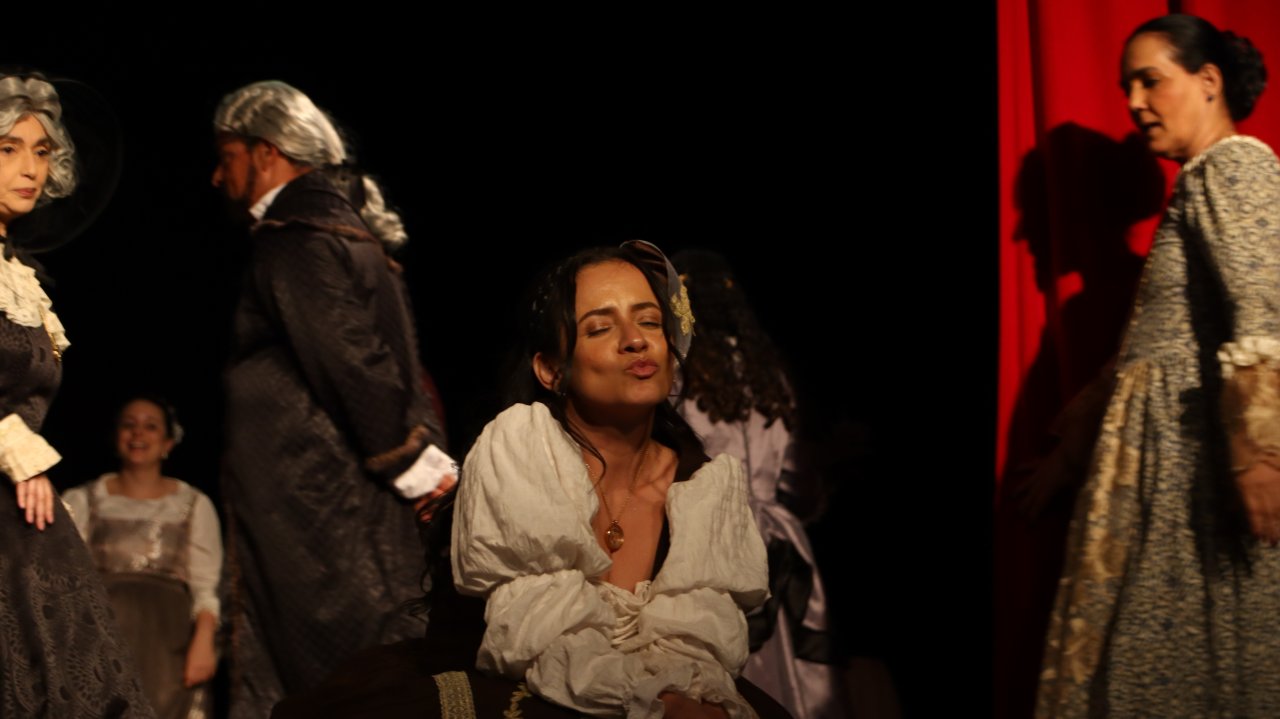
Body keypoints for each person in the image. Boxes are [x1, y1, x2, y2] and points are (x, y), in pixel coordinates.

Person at [1037, 14, 1280, 716]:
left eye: (1150, 81)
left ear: (1208, 81)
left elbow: (1265, 305)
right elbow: (1149, 348)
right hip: (1164, 468)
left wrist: (1262, 450)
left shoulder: (1233, 166)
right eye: (1127, 87)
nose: (1135, 102)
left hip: (1199, 474)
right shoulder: (1204, 179)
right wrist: (1070, 451)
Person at [451, 241, 775, 717]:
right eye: (600, 328)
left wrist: (680, 699)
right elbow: (538, 634)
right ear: (551, 370)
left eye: (650, 322)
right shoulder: (522, 449)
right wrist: (654, 702)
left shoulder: (705, 487)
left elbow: (699, 645)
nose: (635, 340)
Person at [210, 80, 450, 716]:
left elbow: (354, 361)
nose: (217, 176)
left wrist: (417, 467)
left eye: (227, 156)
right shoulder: (333, 227)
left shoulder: (298, 236)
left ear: (266, 153)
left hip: (324, 515)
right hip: (329, 505)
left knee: (348, 682)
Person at [0, 73, 154, 717]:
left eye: (41, 150)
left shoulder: (19, 273)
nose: (30, 168)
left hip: (20, 505)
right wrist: (17, 450)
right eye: (9, 148)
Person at [671, 249, 843, 719]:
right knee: (789, 671)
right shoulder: (771, 375)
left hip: (715, 533)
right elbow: (797, 478)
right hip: (781, 537)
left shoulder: (681, 373)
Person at [64, 396, 223, 719]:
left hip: (170, 641)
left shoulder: (193, 503)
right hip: (102, 633)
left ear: (167, 443)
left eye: (150, 426)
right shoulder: (83, 500)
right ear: (116, 437)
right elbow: (65, 577)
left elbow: (206, 585)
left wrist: (205, 640)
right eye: (129, 424)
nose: (138, 433)